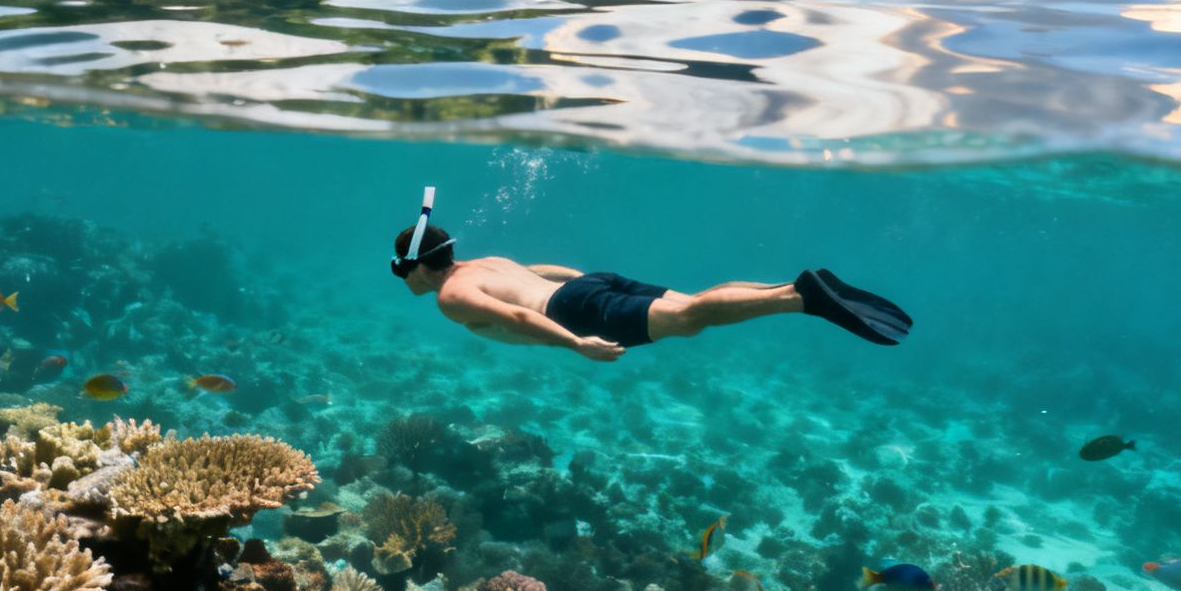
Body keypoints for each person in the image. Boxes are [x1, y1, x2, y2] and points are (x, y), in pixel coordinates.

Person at [389, 190, 911, 362]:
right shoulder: (485, 261)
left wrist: (578, 344)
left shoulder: (452, 295)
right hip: (586, 286)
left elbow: (514, 314)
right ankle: (797, 286)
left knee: (689, 318)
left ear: (414, 266)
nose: (403, 282)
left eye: (400, 272)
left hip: (574, 311)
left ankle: (802, 299)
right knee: (696, 304)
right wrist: (587, 281)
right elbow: (541, 273)